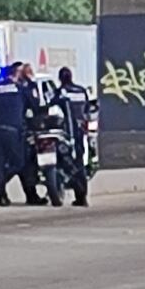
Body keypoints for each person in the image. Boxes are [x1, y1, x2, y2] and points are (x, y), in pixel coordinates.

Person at [0, 63, 39, 206]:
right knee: (18, 163)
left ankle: (1, 196)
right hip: (12, 131)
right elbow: (35, 105)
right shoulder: (20, 89)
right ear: (17, 74)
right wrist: (30, 80)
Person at [55, 67, 90, 207]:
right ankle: (82, 197)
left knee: (68, 163)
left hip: (67, 132)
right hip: (81, 132)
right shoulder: (81, 91)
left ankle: (67, 188)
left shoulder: (61, 92)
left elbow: (51, 107)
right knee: (80, 163)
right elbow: (87, 109)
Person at [15, 62, 47, 204]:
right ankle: (31, 194)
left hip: (16, 129)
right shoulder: (26, 88)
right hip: (23, 129)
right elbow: (35, 106)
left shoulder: (21, 86)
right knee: (28, 163)